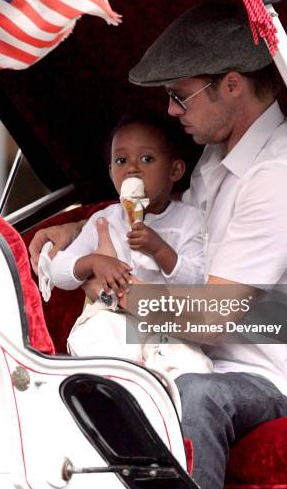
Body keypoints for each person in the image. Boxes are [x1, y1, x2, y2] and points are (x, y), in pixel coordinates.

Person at [29, 0, 287, 489]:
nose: (171, 110)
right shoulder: (217, 160)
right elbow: (167, 226)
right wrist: (82, 228)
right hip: (186, 357)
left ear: (232, 85)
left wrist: (119, 293)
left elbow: (215, 320)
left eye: (179, 95)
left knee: (197, 392)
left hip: (269, 382)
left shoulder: (280, 176)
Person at [47, 113, 213, 377]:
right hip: (114, 319)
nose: (132, 168)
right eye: (121, 160)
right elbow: (58, 272)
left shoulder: (190, 221)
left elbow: (196, 281)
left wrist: (161, 250)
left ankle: (160, 397)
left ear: (175, 170)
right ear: (111, 171)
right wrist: (94, 262)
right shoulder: (105, 220)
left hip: (168, 324)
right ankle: (119, 389)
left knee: (191, 365)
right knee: (99, 336)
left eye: (146, 159)